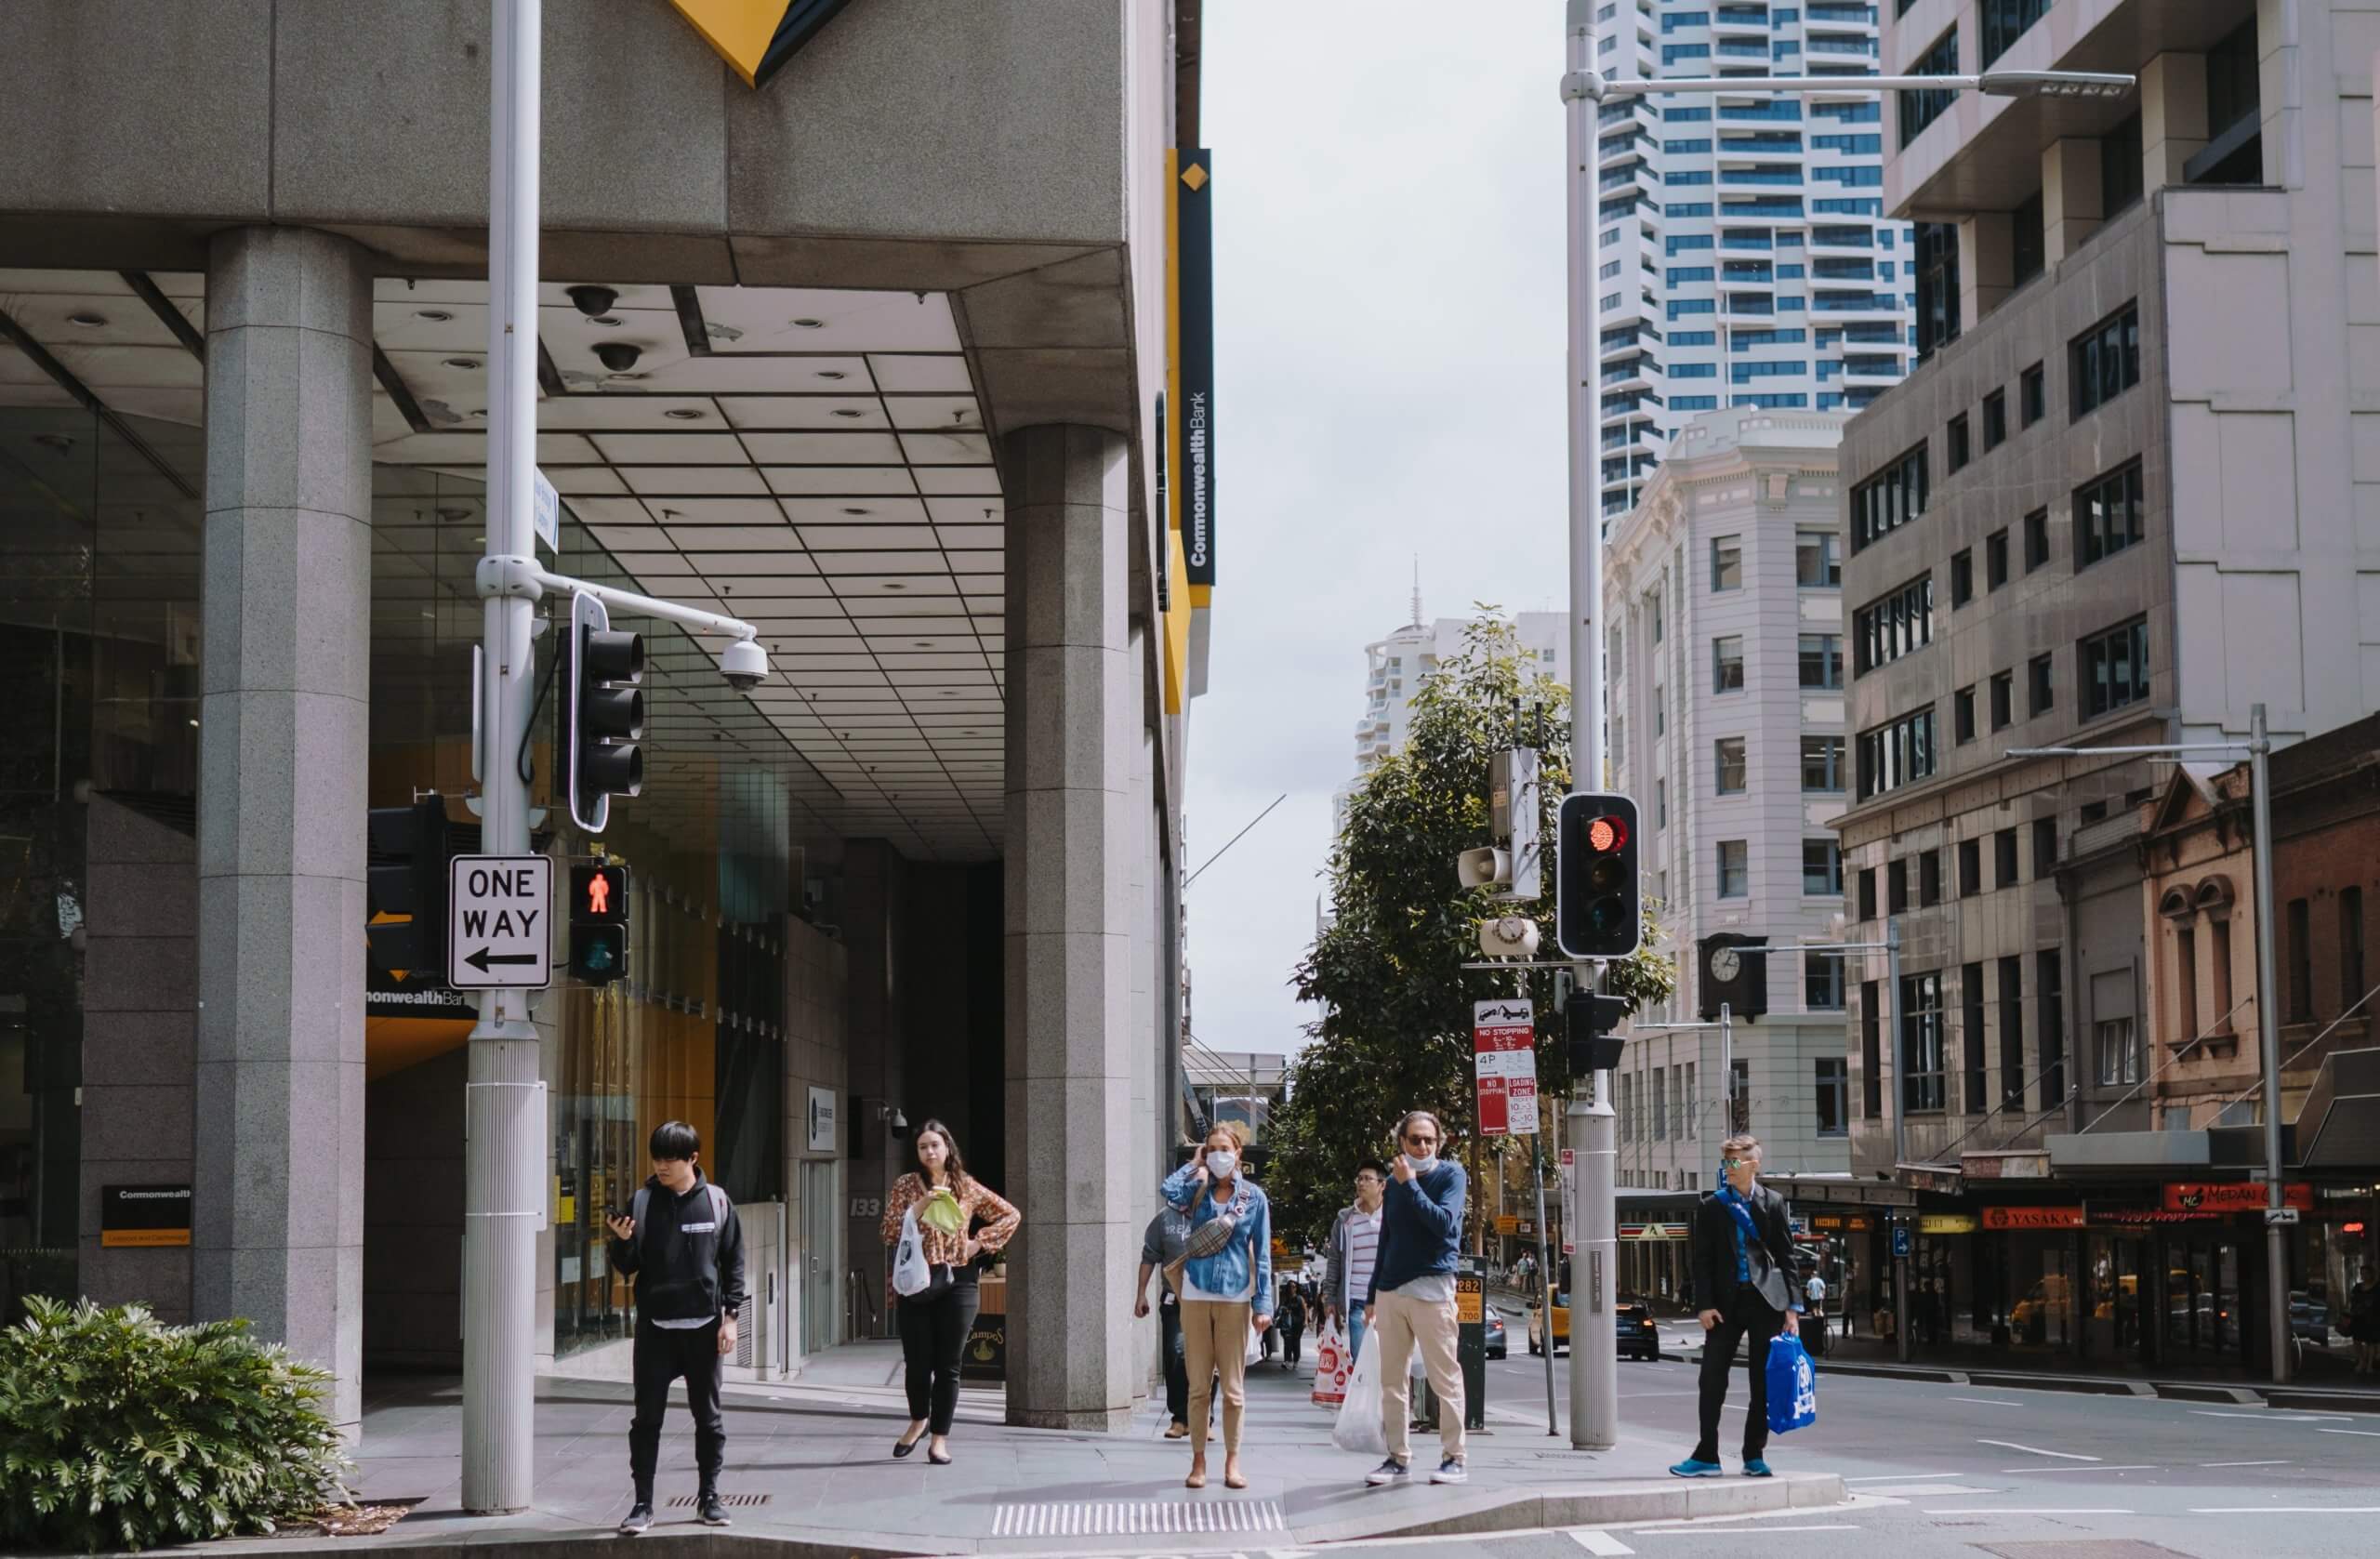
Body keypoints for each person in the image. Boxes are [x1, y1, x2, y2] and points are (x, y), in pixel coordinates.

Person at [606, 1120, 747, 1535]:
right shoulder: (644, 1201)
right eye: (657, 1157)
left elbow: (733, 1263)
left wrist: (732, 1318)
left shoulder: (718, 1203)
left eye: (671, 1158)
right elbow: (627, 1266)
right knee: (646, 1420)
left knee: (709, 1419)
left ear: (693, 1159)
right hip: (655, 1330)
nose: (662, 1166)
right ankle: (642, 1505)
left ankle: (709, 1498)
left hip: (704, 1329)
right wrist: (621, 1241)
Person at [877, 1119, 1021, 1467]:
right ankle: (918, 1421)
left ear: (947, 1149)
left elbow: (1010, 1214)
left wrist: (978, 1244)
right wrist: (921, 1205)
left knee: (949, 1365)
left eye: (935, 1145)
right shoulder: (906, 1186)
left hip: (958, 1281)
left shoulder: (964, 1186)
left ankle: (939, 1439)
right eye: (923, 1147)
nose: (929, 1152)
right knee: (917, 1361)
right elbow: (887, 1231)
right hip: (916, 1281)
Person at [1671, 1133, 1803, 1480]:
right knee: (1711, 1378)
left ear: (1753, 1165)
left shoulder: (1773, 1203)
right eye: (1725, 1162)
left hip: (1765, 1303)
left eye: (1733, 1162)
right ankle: (1706, 1454)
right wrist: (1703, 1305)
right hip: (1724, 1307)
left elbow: (1787, 1257)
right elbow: (1701, 1261)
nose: (1727, 1168)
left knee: (1762, 1381)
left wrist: (1792, 1309)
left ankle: (1753, 1455)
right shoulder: (1713, 1206)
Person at [1162, 1121, 1274, 1491]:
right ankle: (1198, 1462)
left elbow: (1263, 1254)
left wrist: (1263, 1305)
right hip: (1195, 1294)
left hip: (1235, 1297)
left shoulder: (1254, 1198)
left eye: (1225, 1148)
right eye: (1211, 1149)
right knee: (1198, 1386)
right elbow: (1168, 1191)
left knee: (1233, 1389)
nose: (1219, 1155)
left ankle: (1232, 1461)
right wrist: (1194, 1165)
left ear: (1238, 1153)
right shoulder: (1197, 1190)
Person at [1361, 1110, 1469, 1488]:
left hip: (1433, 1290)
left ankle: (1454, 1457)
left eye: (1429, 1140)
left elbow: (1443, 1224)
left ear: (1438, 1142)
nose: (1423, 1146)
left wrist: (1410, 1185)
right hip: (1392, 1292)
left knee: (1444, 1378)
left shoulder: (1451, 1175)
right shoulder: (1393, 1184)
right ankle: (1397, 1458)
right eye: (1415, 1140)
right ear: (1401, 1143)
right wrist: (1374, 1292)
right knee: (1392, 1381)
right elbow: (1386, 1238)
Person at [1135, 1196, 1198, 1438]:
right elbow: (1149, 1256)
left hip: (1207, 1299)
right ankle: (1180, 1418)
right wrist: (1141, 1294)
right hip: (1174, 1299)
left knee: (1207, 1359)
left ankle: (1204, 1418)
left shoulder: (1215, 1212)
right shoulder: (1165, 1217)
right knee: (1176, 1353)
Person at [1323, 1161, 1387, 1367]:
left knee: (1390, 1367)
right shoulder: (1345, 1220)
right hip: (1357, 1302)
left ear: (1382, 1185)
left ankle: (1387, 1401)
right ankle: (1366, 1400)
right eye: (1359, 1178)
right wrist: (1330, 1299)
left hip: (1390, 1302)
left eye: (1368, 1179)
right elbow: (1334, 1261)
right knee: (1362, 1366)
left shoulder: (1393, 1216)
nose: (1362, 1183)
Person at [2348, 1272, 2380, 1374]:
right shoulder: (2357, 1287)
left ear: (2372, 1274)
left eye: (2367, 1273)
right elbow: (2352, 1298)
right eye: (2362, 1273)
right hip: (2358, 1317)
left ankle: (2370, 1365)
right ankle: (2362, 1361)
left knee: (2370, 1342)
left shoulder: (2377, 1287)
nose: (2364, 1276)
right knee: (2356, 1340)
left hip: (2372, 1317)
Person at [1278, 1275, 1307, 1369]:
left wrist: (1306, 1321)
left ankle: (1295, 1361)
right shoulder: (1285, 1299)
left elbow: (1305, 1310)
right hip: (1287, 1325)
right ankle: (1286, 1361)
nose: (1292, 1288)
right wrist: (1284, 1311)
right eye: (1290, 1286)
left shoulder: (1299, 1298)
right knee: (1287, 1342)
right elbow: (1280, 1309)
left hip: (1298, 1324)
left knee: (1295, 1342)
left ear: (1296, 1288)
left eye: (1294, 1286)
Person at [1802, 1262, 1829, 1358]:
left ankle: (1816, 1319)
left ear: (1812, 1275)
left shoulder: (1810, 1281)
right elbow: (1824, 1288)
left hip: (1813, 1297)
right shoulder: (1820, 1280)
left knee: (1814, 1309)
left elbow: (1808, 1291)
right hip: (1819, 1297)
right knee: (1819, 1308)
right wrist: (1823, 1295)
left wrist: (1808, 1295)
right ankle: (1821, 1319)